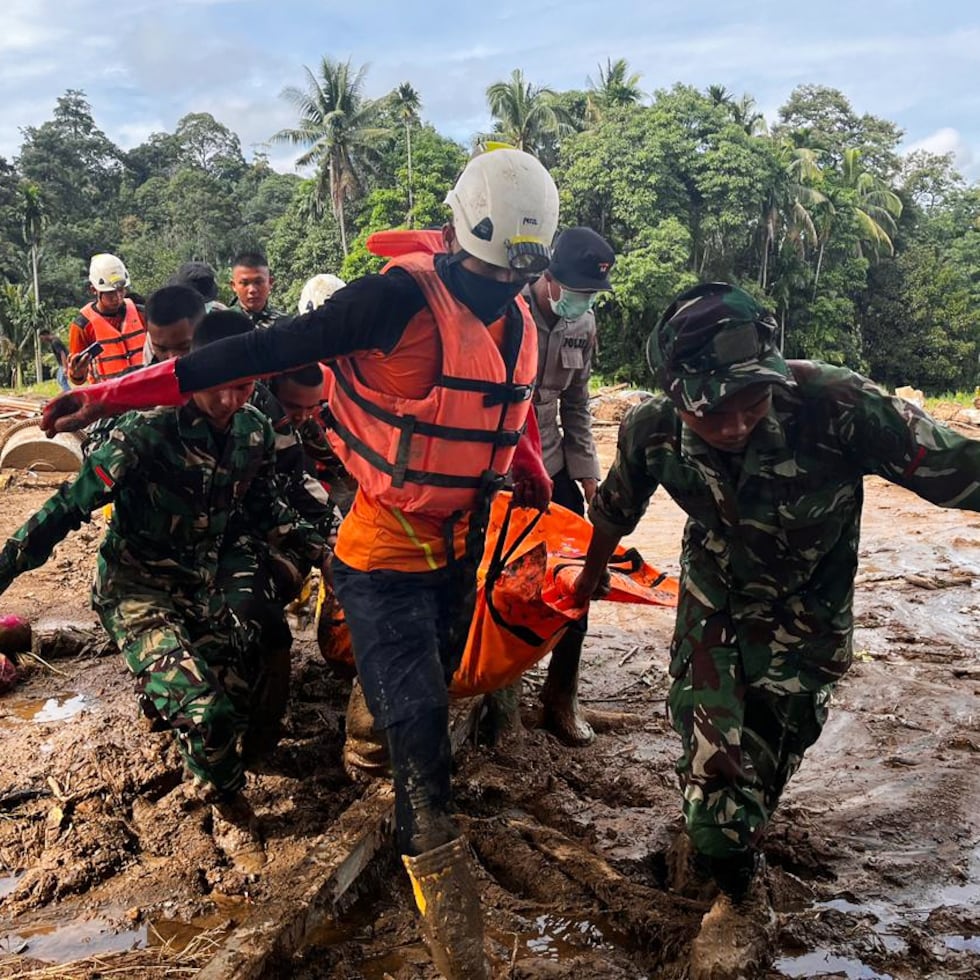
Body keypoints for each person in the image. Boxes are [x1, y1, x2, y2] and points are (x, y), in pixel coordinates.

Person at [41, 147, 559, 980]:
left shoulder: (520, 313)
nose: (505, 289)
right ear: (464, 236)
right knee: (424, 750)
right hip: (383, 551)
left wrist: (529, 468)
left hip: (458, 547)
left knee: (439, 676)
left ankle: (370, 728)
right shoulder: (389, 302)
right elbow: (240, 355)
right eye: (496, 274)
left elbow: (510, 402)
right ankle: (456, 947)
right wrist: (106, 397)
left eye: (517, 279)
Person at [568, 282, 980, 980]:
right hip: (714, 612)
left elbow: (959, 471)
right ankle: (738, 895)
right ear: (674, 391)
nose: (733, 424)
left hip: (805, 624)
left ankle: (741, 810)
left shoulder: (838, 404)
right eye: (712, 411)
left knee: (767, 762)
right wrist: (582, 586)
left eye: (750, 402)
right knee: (718, 816)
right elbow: (614, 510)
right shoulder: (651, 428)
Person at [2, 308, 326, 874]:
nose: (230, 401)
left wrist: (329, 552)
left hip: (199, 587)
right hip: (136, 589)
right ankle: (230, 810)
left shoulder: (251, 432)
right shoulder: (145, 434)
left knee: (239, 697)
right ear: (193, 374)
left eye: (244, 387)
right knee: (207, 713)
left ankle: (177, 716)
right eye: (220, 388)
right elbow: (63, 511)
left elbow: (263, 508)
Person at [524, 226, 615, 745]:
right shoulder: (507, 314)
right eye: (575, 289)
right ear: (549, 277)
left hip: (554, 463)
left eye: (589, 294)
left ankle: (561, 697)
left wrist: (588, 478)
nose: (580, 301)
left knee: (577, 580)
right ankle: (494, 689)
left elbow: (577, 404)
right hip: (503, 471)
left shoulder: (584, 322)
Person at [67, 253, 146, 384]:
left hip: (146, 390)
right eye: (110, 293)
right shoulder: (82, 326)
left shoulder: (141, 313)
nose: (117, 297)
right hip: (109, 398)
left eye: (121, 290)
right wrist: (77, 373)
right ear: (94, 290)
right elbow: (77, 378)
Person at [228, 251, 287, 329]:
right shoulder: (224, 323)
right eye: (245, 283)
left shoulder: (285, 324)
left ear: (270, 282)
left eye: (258, 282)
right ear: (234, 286)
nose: (252, 290)